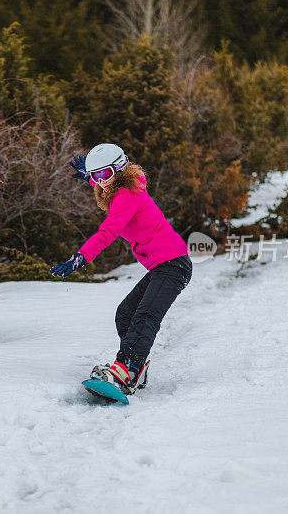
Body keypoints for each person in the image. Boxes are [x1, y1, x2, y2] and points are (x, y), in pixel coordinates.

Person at [50, 143, 192, 396]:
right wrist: (94, 178)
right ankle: (134, 369)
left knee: (145, 316)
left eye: (103, 175)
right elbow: (112, 190)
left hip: (172, 265)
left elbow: (108, 232)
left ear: (118, 169)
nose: (99, 183)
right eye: (94, 177)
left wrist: (80, 257)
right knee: (126, 314)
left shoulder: (127, 195)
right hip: (166, 265)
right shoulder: (128, 186)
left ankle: (127, 368)